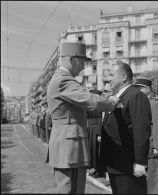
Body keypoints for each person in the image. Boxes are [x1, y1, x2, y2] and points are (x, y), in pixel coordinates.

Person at [46, 40, 119, 194]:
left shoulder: (64, 79)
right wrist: (111, 101)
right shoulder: (63, 80)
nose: (83, 66)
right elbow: (90, 100)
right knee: (69, 189)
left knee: (75, 188)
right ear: (71, 59)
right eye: (81, 61)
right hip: (68, 145)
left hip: (71, 144)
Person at [99, 61, 152, 194]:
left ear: (123, 77)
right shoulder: (117, 96)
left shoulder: (136, 95)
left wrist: (140, 161)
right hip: (116, 163)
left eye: (111, 75)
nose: (108, 78)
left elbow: (141, 130)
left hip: (128, 164)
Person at [134, 77, 158, 194]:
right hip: (143, 148)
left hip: (153, 149)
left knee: (153, 183)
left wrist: (157, 146)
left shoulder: (154, 103)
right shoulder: (140, 103)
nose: (137, 91)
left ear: (147, 89)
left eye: (139, 88)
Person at [87, 89, 105, 178]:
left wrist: (99, 133)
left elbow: (100, 119)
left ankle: (98, 170)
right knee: (92, 151)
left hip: (96, 130)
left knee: (97, 151)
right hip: (90, 129)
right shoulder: (92, 105)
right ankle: (94, 168)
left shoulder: (99, 105)